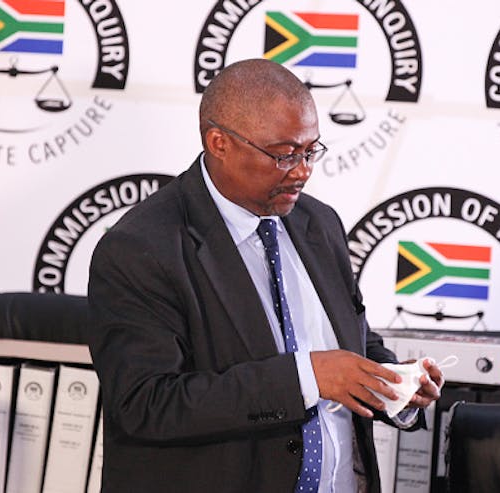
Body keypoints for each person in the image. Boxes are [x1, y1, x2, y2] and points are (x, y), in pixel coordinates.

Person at [87, 58, 444, 493]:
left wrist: (392, 384)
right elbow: (146, 403)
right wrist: (308, 378)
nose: (303, 170)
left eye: (311, 150)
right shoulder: (141, 248)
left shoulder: (319, 223)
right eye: (284, 154)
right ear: (219, 142)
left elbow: (353, 342)